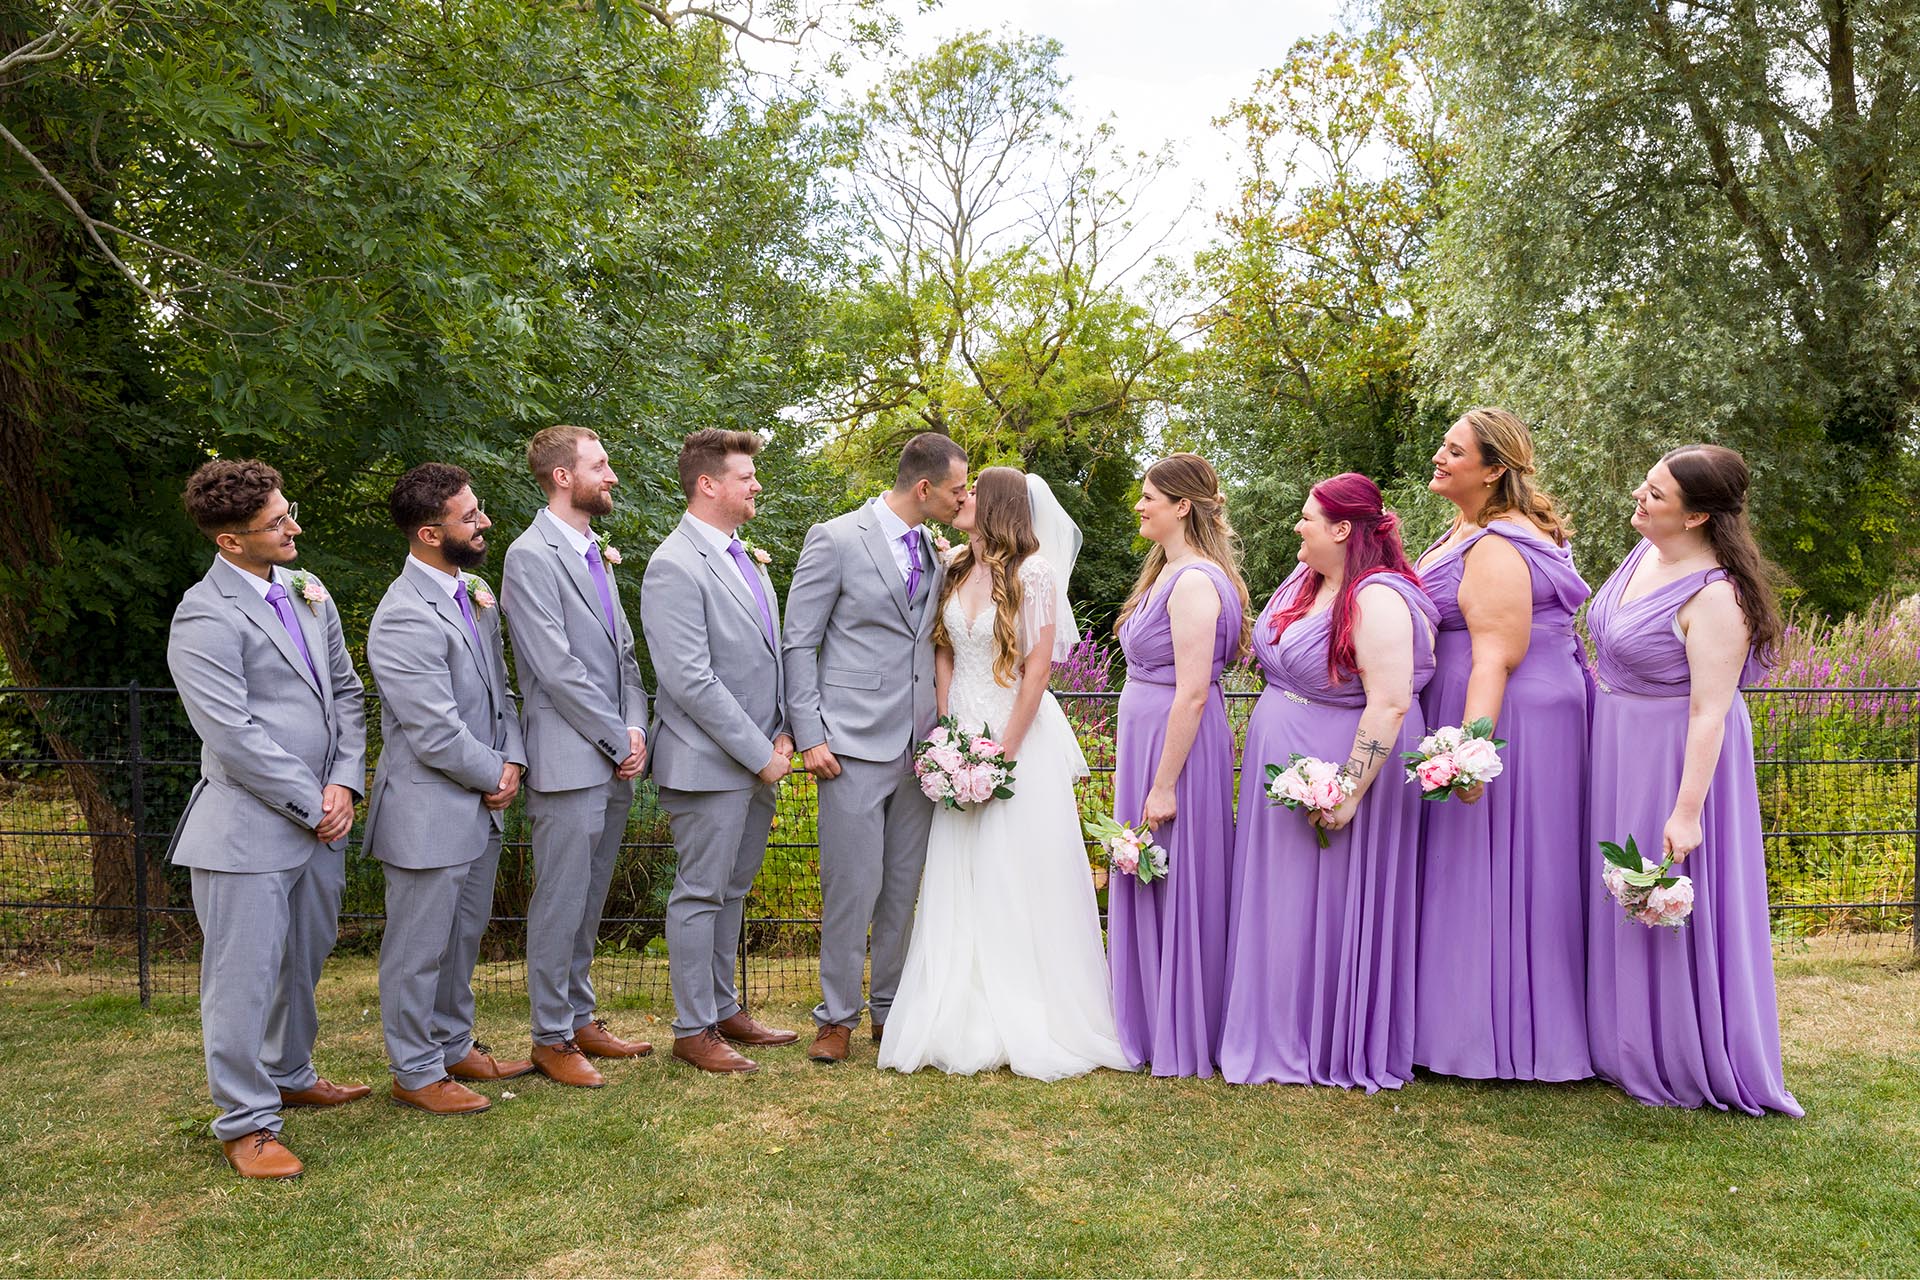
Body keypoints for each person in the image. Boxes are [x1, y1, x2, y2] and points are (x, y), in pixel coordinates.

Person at [878, 468, 1133, 1080]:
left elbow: (1037, 671)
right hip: (960, 729)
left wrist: (1002, 753)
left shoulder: (1035, 576)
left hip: (1014, 734)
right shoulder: (957, 567)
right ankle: (956, 1009)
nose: (960, 500)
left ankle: (1029, 1009)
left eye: (971, 495)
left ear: (995, 506)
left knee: (1014, 867)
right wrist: (946, 732)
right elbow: (943, 649)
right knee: (957, 868)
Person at [166, 460, 368, 1179]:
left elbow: (346, 691)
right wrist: (311, 801)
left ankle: (290, 1070)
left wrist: (344, 782)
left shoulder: (311, 593)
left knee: (301, 963)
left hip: (324, 819)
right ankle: (245, 1122)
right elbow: (233, 734)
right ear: (229, 542)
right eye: (278, 523)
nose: (295, 528)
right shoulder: (203, 615)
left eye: (288, 512)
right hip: (246, 829)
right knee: (242, 978)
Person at [1584, 445, 1801, 1115]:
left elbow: (1709, 711)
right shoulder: (1641, 554)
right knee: (1620, 886)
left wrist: (1687, 812)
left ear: (1699, 515)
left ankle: (1679, 1048)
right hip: (1619, 741)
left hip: (1677, 755)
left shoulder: (1716, 597)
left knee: (1660, 887)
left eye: (1656, 496)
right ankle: (1620, 1041)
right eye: (1644, 485)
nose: (1639, 501)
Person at [1218, 474, 1437, 1091]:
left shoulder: (1380, 601)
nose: (1297, 526)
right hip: (1284, 761)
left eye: (1308, 518)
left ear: (1343, 529)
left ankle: (1323, 1037)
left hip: (1343, 765)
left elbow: (1390, 703)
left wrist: (1347, 790)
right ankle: (1270, 1024)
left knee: (1330, 902)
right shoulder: (1305, 581)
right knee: (1283, 900)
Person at [1412, 408, 1593, 1082]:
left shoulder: (1497, 542)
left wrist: (1470, 754)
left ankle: (1495, 1035)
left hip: (1505, 710)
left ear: (1493, 470)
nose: (1440, 456)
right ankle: (1455, 1023)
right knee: (1468, 863)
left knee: (1492, 858)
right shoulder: (1465, 528)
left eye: (1454, 451)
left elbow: (1494, 655)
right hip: (1470, 700)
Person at [783, 431, 969, 1064]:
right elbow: (798, 642)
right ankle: (835, 1017)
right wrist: (810, 734)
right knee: (850, 886)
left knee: (900, 887)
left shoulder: (938, 552)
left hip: (920, 747)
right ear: (923, 488)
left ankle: (891, 1011)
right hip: (850, 745)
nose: (960, 499)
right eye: (954, 489)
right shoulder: (834, 540)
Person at [363, 464, 531, 1116]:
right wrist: (496, 774)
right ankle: (414, 1071)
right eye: (470, 516)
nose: (484, 521)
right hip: (427, 811)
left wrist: (512, 759)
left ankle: (454, 1044)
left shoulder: (475, 593)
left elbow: (502, 691)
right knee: (417, 950)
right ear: (430, 533)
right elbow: (434, 732)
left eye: (479, 509)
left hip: (479, 804)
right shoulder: (403, 617)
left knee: (462, 938)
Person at [641, 429, 798, 1075]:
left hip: (760, 757)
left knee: (732, 891)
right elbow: (689, 679)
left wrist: (785, 731)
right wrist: (761, 753)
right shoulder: (672, 564)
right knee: (700, 893)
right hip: (708, 764)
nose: (756, 484)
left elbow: (773, 655)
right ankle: (691, 1028)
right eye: (745, 476)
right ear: (709, 484)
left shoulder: (748, 559)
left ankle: (724, 1008)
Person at [500, 425, 652, 1088]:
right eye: (600, 464)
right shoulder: (529, 557)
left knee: (589, 899)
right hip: (568, 759)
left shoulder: (594, 552)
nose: (611, 475)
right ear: (563, 477)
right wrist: (617, 739)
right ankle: (550, 1036)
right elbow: (555, 668)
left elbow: (622, 655)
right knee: (560, 900)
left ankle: (581, 1016)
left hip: (615, 753)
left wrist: (637, 725)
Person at [1108, 453, 1252, 1077]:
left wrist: (1164, 784)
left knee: (1176, 871)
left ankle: (1178, 1026)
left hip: (1176, 748)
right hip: (1149, 738)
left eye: (1148, 497)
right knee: (1149, 870)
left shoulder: (1194, 581)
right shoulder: (1167, 573)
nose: (1139, 506)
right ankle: (1143, 1015)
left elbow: (1193, 690)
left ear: (1182, 506)